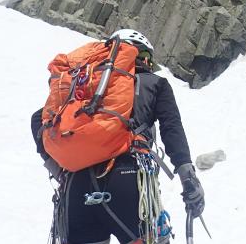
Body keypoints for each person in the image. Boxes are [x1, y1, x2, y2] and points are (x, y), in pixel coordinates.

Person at [31, 29, 205, 244]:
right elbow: (172, 129)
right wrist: (188, 177)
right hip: (127, 178)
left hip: (76, 186)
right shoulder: (155, 83)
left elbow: (39, 120)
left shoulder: (85, 88)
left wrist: (58, 169)